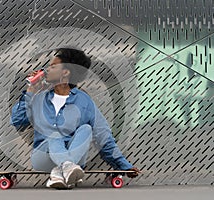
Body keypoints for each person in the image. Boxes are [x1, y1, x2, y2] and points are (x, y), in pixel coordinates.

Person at [11, 48, 140, 189]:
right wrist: (30, 92)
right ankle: (67, 167)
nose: (47, 69)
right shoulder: (39, 98)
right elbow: (17, 120)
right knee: (54, 135)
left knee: (86, 129)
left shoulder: (84, 102)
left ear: (65, 72)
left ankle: (60, 173)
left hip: (76, 158)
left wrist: (124, 166)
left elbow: (103, 136)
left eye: (53, 66)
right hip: (43, 158)